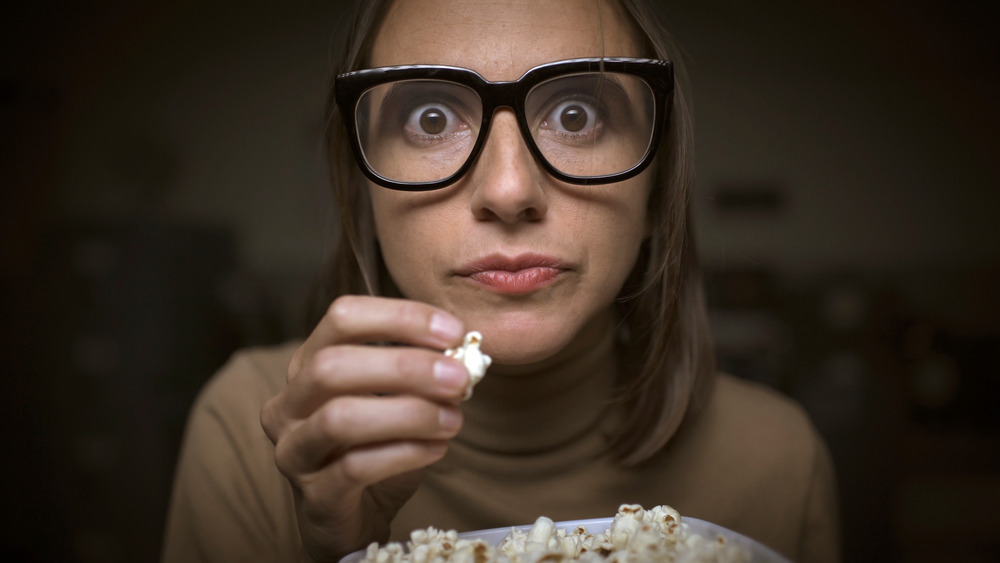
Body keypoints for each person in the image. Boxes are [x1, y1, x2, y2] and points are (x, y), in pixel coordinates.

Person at [162, 0, 840, 562]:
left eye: (578, 115)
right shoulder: (252, 438)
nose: (510, 189)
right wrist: (343, 550)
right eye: (432, 119)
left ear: (657, 189)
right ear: (361, 190)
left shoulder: (777, 461)